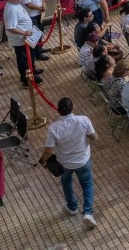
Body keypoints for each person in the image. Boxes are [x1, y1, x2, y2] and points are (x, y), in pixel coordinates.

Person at [40, 97, 98, 228]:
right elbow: (94, 137)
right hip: (83, 161)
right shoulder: (83, 120)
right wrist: (88, 135)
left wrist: (42, 160)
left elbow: (48, 150)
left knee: (66, 182)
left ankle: (72, 207)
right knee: (87, 185)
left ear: (58, 111)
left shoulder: (53, 128)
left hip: (64, 163)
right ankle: (88, 213)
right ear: (72, 108)